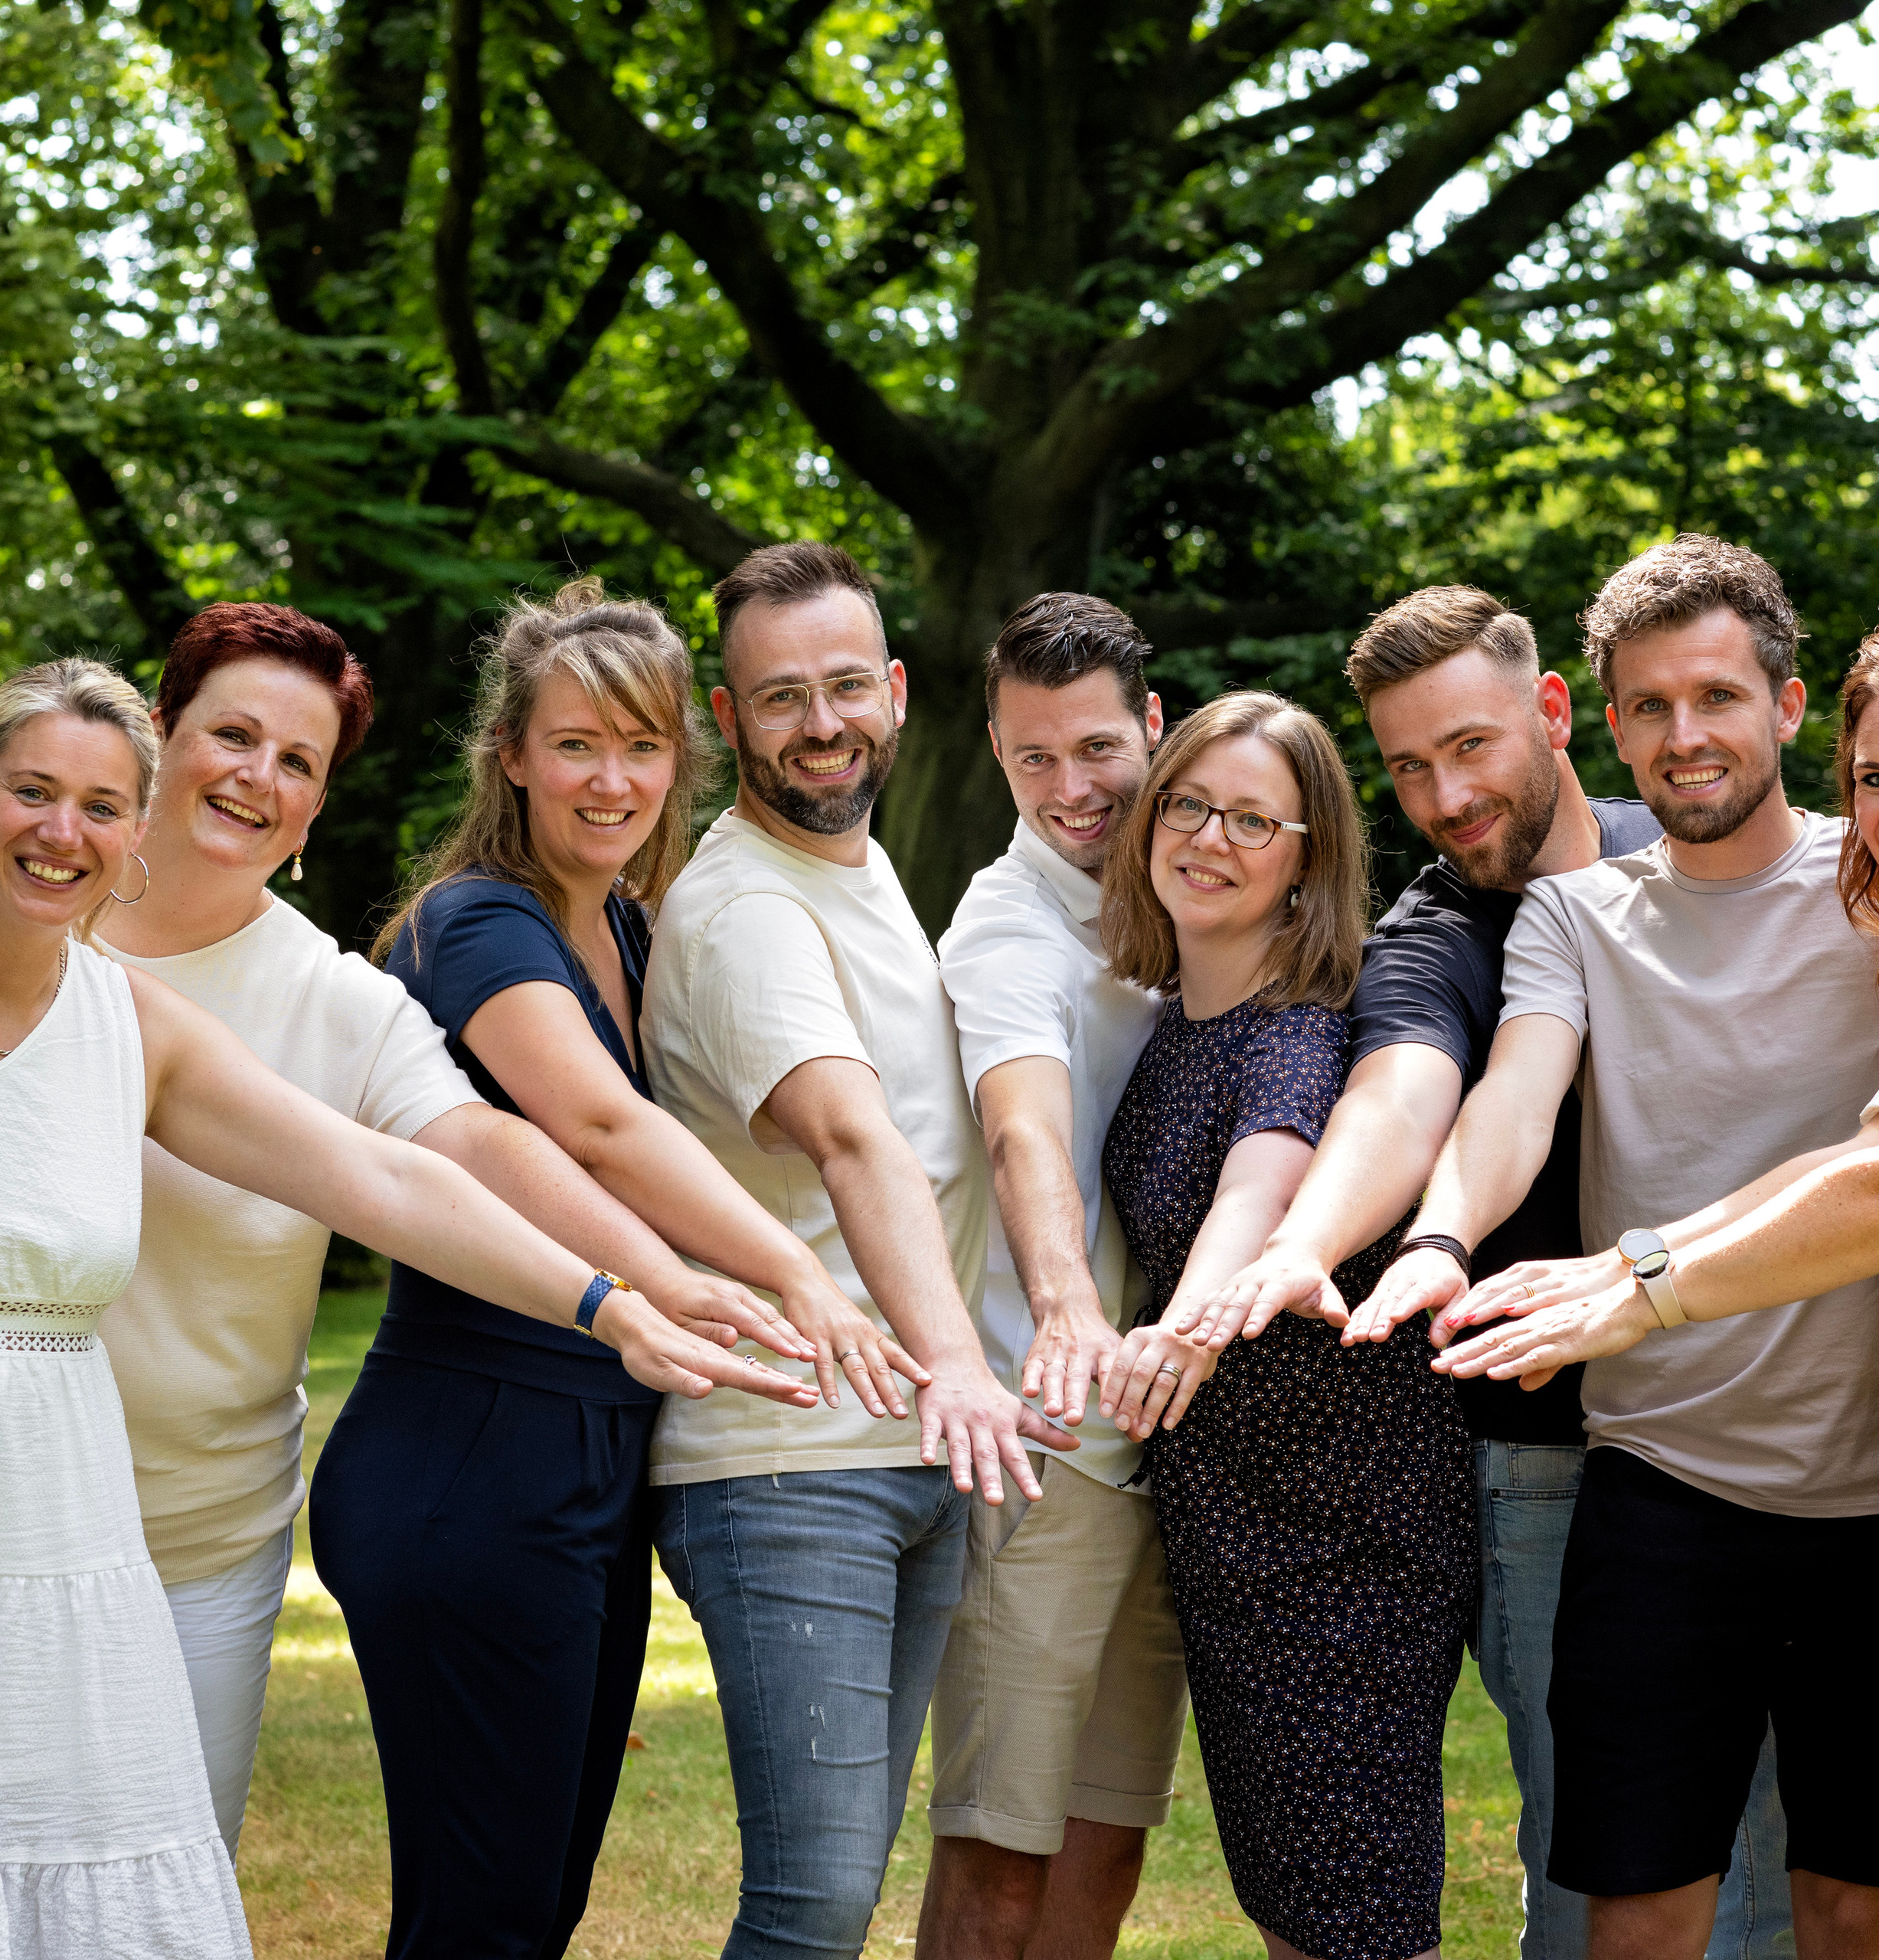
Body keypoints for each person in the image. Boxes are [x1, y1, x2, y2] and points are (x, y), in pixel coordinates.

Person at [0, 659, 805, 1956]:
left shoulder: (165, 1022)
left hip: (166, 1527)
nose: (63, 831)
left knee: (110, 1896)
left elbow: (421, 1166)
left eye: (300, 762)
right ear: (165, 746)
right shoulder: (97, 966)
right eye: (31, 791)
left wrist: (618, 1300)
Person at [1349, 539, 1879, 1960]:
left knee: (1858, 1901)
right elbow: (1515, 1090)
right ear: (1603, 724)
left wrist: (1639, 1276)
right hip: (1665, 1488)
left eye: (1718, 698)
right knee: (1635, 1903)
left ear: (1791, 706)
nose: (1687, 737)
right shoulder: (1575, 914)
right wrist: (1443, 1232)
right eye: (1651, 708)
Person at [1177, 586, 1789, 1959]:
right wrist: (1306, 1243)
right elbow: (1408, 1096)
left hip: (1756, 1433)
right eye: (1406, 767)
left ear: (1558, 715)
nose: (1445, 796)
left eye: (1471, 747)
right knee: (1602, 1867)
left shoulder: (1679, 843)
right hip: (1549, 1460)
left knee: (1769, 1862)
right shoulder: (1436, 934)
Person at [310, 580, 892, 1960]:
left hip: (591, 1456)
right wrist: (796, 1282)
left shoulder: (631, 931)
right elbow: (597, 1125)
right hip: (473, 1453)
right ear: (510, 754)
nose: (613, 778)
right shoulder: (479, 921)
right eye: (577, 744)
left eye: (643, 747)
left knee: (537, 1903)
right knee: (484, 1917)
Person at [643, 541, 1074, 1960]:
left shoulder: (860, 869)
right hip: (785, 1463)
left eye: (843, 687)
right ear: (727, 717)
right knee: (814, 1902)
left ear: (893, 691)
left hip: (901, 1447)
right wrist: (958, 1367)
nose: (820, 725)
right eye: (780, 700)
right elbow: (853, 1139)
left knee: (843, 1896)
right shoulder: (748, 905)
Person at [1093, 690, 1476, 1960]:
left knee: (1354, 1912)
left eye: (1254, 819)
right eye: (1191, 804)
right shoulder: (1166, 1029)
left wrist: (1189, 1328)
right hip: (1234, 1529)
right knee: (1295, 1902)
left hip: (1345, 1535)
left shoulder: (1301, 1027)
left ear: (1310, 856)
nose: (1210, 837)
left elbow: (1264, 1179)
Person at [918, 593, 1187, 1960]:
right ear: (994, 748)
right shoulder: (1005, 929)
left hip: (1173, 1429)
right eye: (1033, 760)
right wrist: (1070, 1301)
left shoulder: (1195, 886)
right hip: (1050, 1438)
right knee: (999, 1850)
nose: (1070, 790)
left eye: (1094, 749)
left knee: (1108, 1835)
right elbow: (1022, 1121)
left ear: (1153, 722)